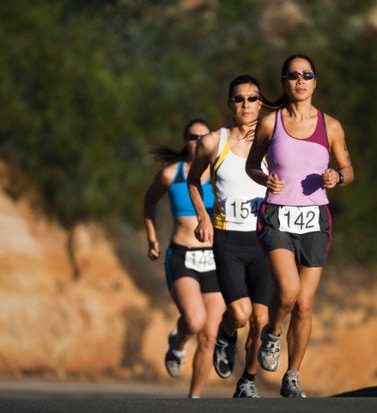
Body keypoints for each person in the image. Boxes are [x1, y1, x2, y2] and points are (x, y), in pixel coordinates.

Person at [245, 54, 354, 398]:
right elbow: (251, 166)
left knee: (305, 305)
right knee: (288, 292)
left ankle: (292, 375)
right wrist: (264, 178)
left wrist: (338, 177)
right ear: (284, 82)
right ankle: (273, 334)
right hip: (277, 215)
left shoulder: (331, 126)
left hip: (315, 219)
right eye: (293, 75)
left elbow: (348, 169)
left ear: (315, 82)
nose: (301, 80)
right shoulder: (269, 123)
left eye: (307, 74)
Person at [187, 75, 273, 398]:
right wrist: (202, 216)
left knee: (261, 319)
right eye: (239, 99)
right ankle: (226, 331)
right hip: (228, 239)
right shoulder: (213, 142)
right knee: (240, 313)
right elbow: (194, 182)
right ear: (229, 104)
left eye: (252, 99)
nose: (246, 105)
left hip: (264, 239)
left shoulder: (272, 142)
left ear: (260, 103)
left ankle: (247, 380)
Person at [143, 118, 226, 399]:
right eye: (193, 136)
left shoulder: (220, 174)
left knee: (209, 337)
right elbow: (149, 201)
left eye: (204, 136)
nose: (198, 141)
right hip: (182, 256)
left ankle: (195, 398)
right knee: (194, 321)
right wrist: (151, 237)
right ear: (185, 140)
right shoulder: (172, 174)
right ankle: (177, 345)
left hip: (214, 259)